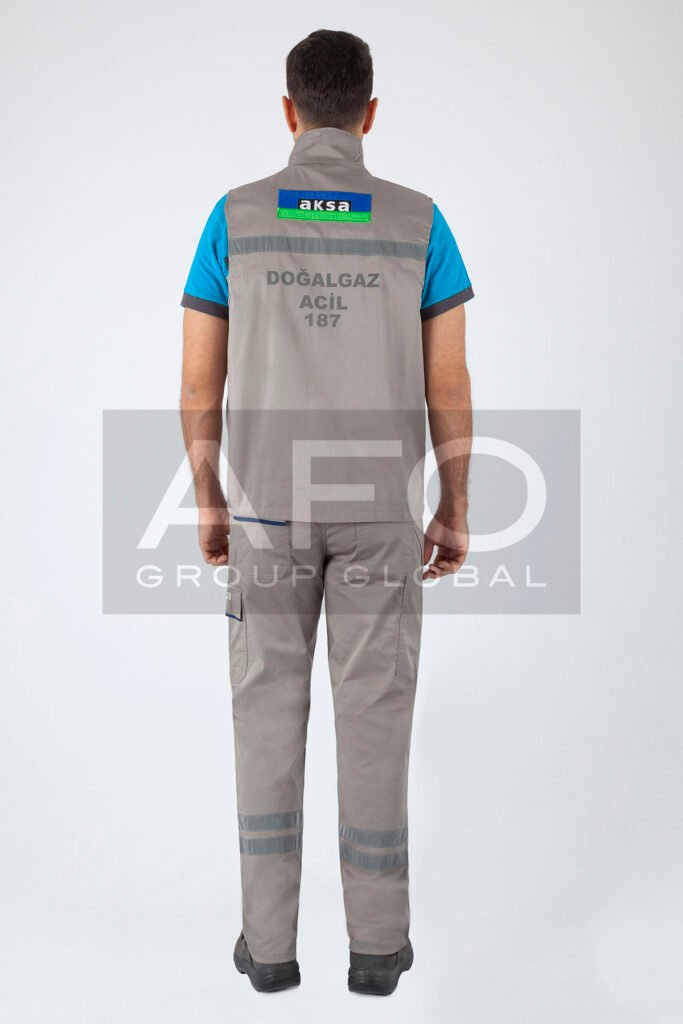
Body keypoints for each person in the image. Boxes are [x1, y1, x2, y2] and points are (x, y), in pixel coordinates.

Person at [180, 29, 473, 996]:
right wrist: (453, 505)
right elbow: (447, 381)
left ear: (289, 109)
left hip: (266, 512)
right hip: (381, 514)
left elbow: (198, 385)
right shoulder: (419, 222)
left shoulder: (235, 218)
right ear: (370, 113)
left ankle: (268, 952)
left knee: (265, 720)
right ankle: (377, 951)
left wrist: (212, 499)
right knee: (376, 719)